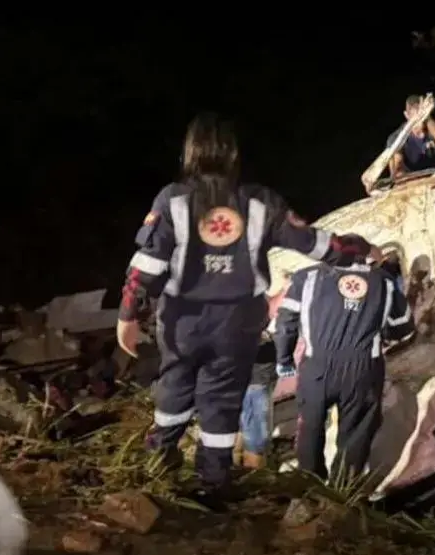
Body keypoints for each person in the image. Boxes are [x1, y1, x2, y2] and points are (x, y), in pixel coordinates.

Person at [116, 112, 376, 506]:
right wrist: (358, 250)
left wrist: (128, 314)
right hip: (236, 324)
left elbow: (147, 264)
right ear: (234, 154)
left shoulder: (172, 199)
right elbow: (315, 244)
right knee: (221, 401)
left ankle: (159, 458)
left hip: (182, 319)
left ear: (190, 152)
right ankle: (212, 483)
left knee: (174, 387)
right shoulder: (262, 202)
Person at [272, 258, 414, 481]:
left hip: (316, 367)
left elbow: (284, 324)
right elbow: (403, 326)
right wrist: (381, 334)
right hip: (363, 369)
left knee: (310, 426)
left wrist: (284, 359)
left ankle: (310, 484)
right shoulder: (383, 282)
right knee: (356, 432)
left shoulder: (307, 277)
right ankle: (341, 489)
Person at [387, 94, 435, 177]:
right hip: (413, 178)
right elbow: (397, 170)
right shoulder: (396, 138)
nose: (418, 119)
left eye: (421, 115)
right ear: (406, 115)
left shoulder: (434, 127)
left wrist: (427, 118)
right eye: (414, 115)